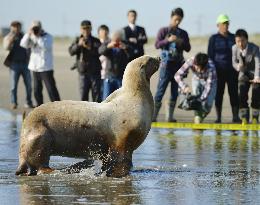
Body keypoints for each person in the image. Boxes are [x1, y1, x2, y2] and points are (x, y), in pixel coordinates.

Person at [153, 8, 191, 122]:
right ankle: (153, 116)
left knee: (174, 92)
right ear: (171, 17)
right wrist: (168, 40)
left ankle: (169, 117)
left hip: (178, 67)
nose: (177, 22)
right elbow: (156, 44)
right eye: (176, 19)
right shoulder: (163, 30)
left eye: (180, 20)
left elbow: (188, 48)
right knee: (160, 90)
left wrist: (181, 42)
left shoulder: (183, 33)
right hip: (165, 66)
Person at [208, 14, 240, 123]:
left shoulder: (233, 37)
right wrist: (211, 72)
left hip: (232, 71)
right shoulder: (213, 38)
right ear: (218, 25)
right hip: (218, 72)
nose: (225, 26)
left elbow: (239, 53)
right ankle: (218, 117)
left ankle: (235, 117)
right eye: (223, 23)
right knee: (219, 94)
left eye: (227, 23)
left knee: (234, 93)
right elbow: (210, 56)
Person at [20, 20, 60, 107]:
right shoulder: (31, 36)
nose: (35, 30)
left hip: (46, 68)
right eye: (34, 28)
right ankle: (40, 107)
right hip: (35, 68)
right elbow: (23, 44)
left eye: (37, 28)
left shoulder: (47, 36)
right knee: (37, 90)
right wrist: (28, 34)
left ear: (41, 28)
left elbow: (45, 46)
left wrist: (38, 36)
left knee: (51, 89)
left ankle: (58, 106)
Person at [175, 53, 217, 123]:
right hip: (196, 79)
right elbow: (177, 75)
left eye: (201, 69)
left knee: (207, 105)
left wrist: (200, 99)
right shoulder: (191, 61)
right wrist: (184, 87)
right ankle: (197, 120)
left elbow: (208, 87)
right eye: (197, 67)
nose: (199, 71)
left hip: (210, 82)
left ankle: (200, 117)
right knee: (196, 103)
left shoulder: (211, 68)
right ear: (195, 63)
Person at [69, 20, 102, 102]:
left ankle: (96, 114)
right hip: (83, 73)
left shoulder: (96, 41)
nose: (85, 30)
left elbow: (99, 52)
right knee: (83, 97)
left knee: (96, 97)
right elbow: (71, 52)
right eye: (83, 29)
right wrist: (79, 45)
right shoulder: (77, 40)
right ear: (80, 29)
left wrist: (89, 47)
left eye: (88, 28)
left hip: (95, 73)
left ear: (91, 29)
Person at [3, 21, 33, 109]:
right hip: (14, 65)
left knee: (29, 85)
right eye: (14, 27)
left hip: (25, 64)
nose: (16, 29)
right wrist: (11, 39)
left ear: (20, 27)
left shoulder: (25, 36)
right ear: (11, 28)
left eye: (18, 27)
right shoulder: (8, 37)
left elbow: (31, 46)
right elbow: (6, 47)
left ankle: (29, 102)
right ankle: (14, 102)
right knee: (13, 86)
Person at [232, 29, 260, 124]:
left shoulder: (255, 48)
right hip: (243, 73)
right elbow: (233, 62)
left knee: (256, 93)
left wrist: (257, 77)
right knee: (242, 95)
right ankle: (244, 117)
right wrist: (237, 66)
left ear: (247, 40)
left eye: (242, 41)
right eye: (238, 41)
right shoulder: (234, 48)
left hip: (255, 74)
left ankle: (255, 116)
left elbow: (258, 64)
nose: (240, 44)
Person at [99, 31, 132, 100]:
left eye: (118, 40)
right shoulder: (108, 43)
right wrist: (109, 46)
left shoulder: (125, 44)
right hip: (109, 76)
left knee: (121, 99)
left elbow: (132, 54)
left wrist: (125, 48)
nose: (116, 42)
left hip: (121, 77)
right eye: (115, 40)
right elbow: (100, 51)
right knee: (106, 99)